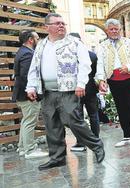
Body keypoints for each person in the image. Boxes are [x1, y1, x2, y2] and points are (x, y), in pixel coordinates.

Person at [26, 13, 105, 171]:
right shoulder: (41, 45)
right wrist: (31, 86)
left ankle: (97, 146)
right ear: (47, 27)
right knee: (52, 125)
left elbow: (85, 64)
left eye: (63, 23)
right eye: (57, 23)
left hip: (68, 90)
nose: (61, 25)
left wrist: (81, 83)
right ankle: (57, 157)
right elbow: (33, 67)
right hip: (48, 92)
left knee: (73, 121)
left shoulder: (74, 42)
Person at [95, 18, 130, 148]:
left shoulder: (129, 42)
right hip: (113, 80)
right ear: (107, 31)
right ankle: (127, 136)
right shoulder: (102, 46)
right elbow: (100, 64)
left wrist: (128, 67)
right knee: (121, 108)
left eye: (116, 29)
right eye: (111, 29)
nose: (114, 31)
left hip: (129, 78)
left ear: (120, 30)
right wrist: (101, 79)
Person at [12, 29, 48, 159]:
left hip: (22, 94)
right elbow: (27, 76)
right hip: (27, 95)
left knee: (26, 120)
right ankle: (30, 149)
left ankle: (22, 148)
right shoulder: (28, 54)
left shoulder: (22, 52)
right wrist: (32, 91)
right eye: (37, 38)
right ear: (30, 40)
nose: (38, 41)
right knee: (30, 121)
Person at [68, 32, 100, 152]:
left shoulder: (69, 55)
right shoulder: (92, 55)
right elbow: (95, 72)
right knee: (93, 115)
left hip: (76, 88)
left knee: (78, 116)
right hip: (90, 87)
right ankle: (96, 140)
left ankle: (81, 143)